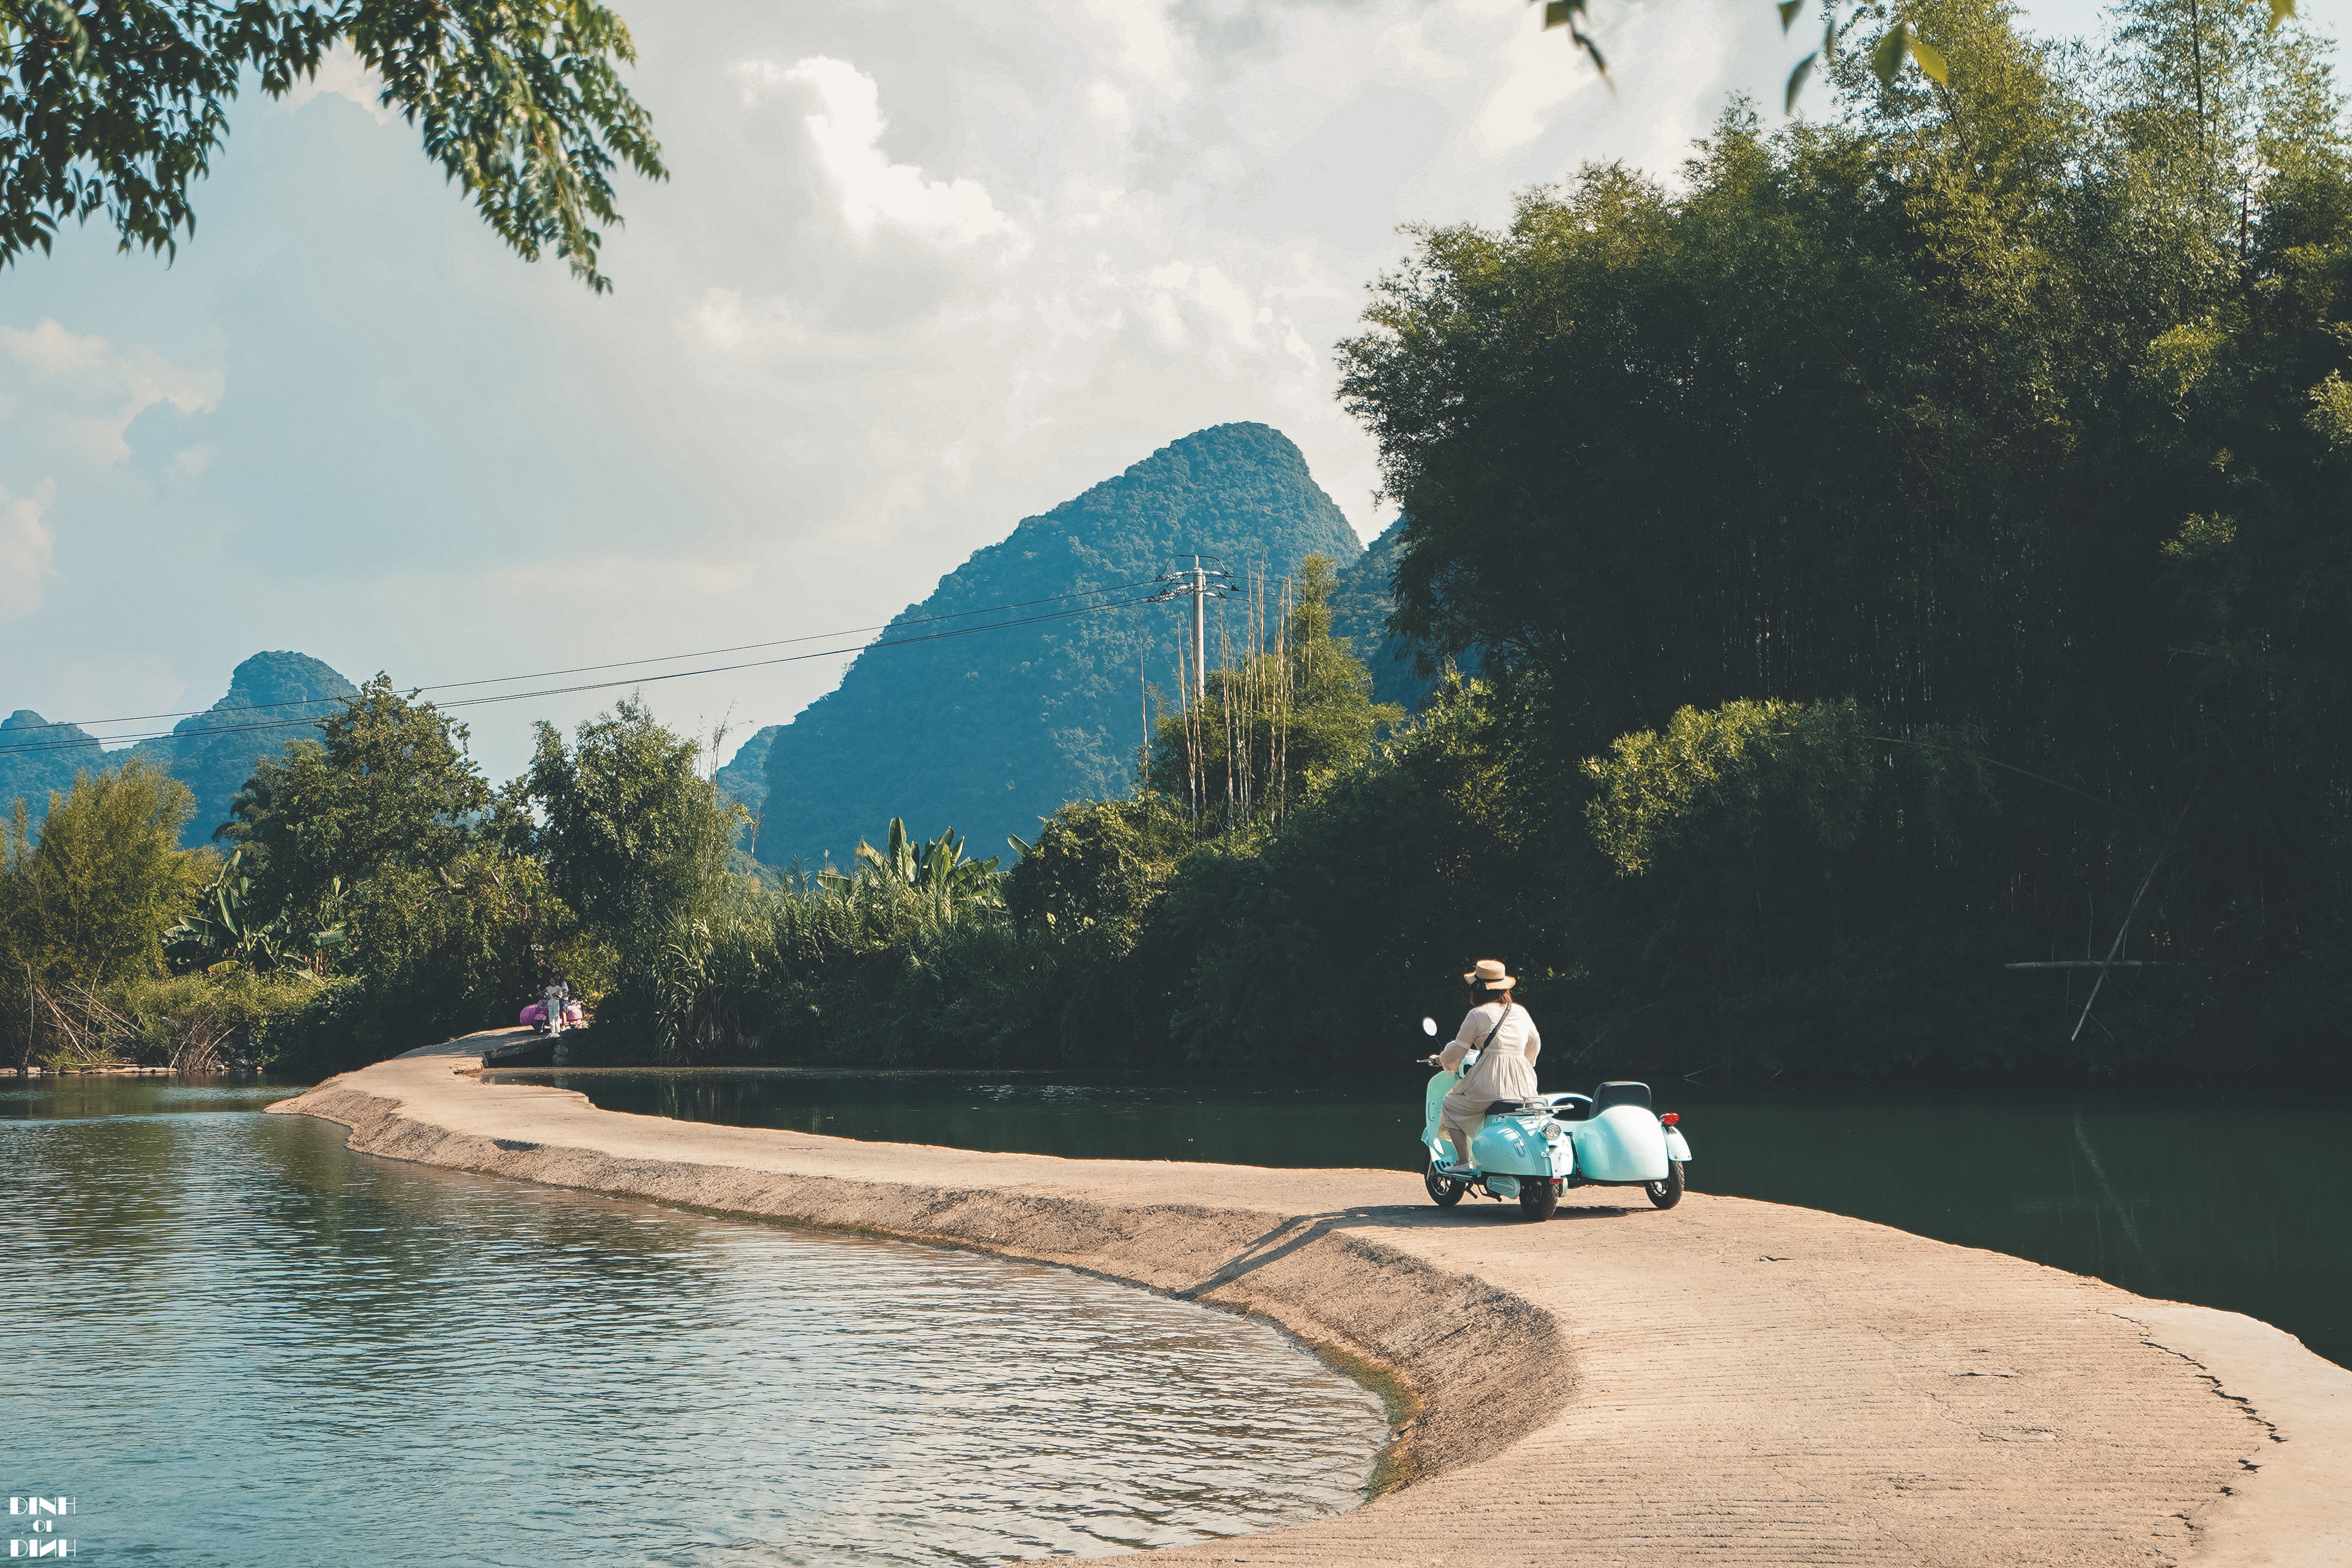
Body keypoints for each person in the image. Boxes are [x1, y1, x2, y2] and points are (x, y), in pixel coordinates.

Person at [1436, 959, 1541, 1172]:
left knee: (1450, 1104)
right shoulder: (1520, 1011)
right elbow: (1534, 1043)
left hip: (1488, 1080)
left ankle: (1463, 1161)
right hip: (1524, 1081)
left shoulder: (1477, 1014)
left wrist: (1442, 1060)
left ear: (1477, 988)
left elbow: (1459, 1049)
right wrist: (1525, 1065)